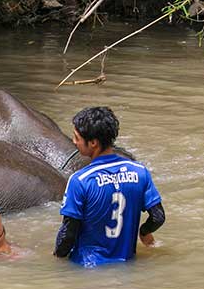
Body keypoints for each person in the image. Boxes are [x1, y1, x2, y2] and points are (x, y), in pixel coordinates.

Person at [54, 106, 165, 267]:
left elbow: (68, 234)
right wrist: (144, 232)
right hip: (127, 267)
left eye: (77, 137)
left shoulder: (80, 180)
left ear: (93, 143)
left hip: (87, 269)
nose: (74, 142)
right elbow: (158, 217)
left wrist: (57, 259)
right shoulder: (140, 172)